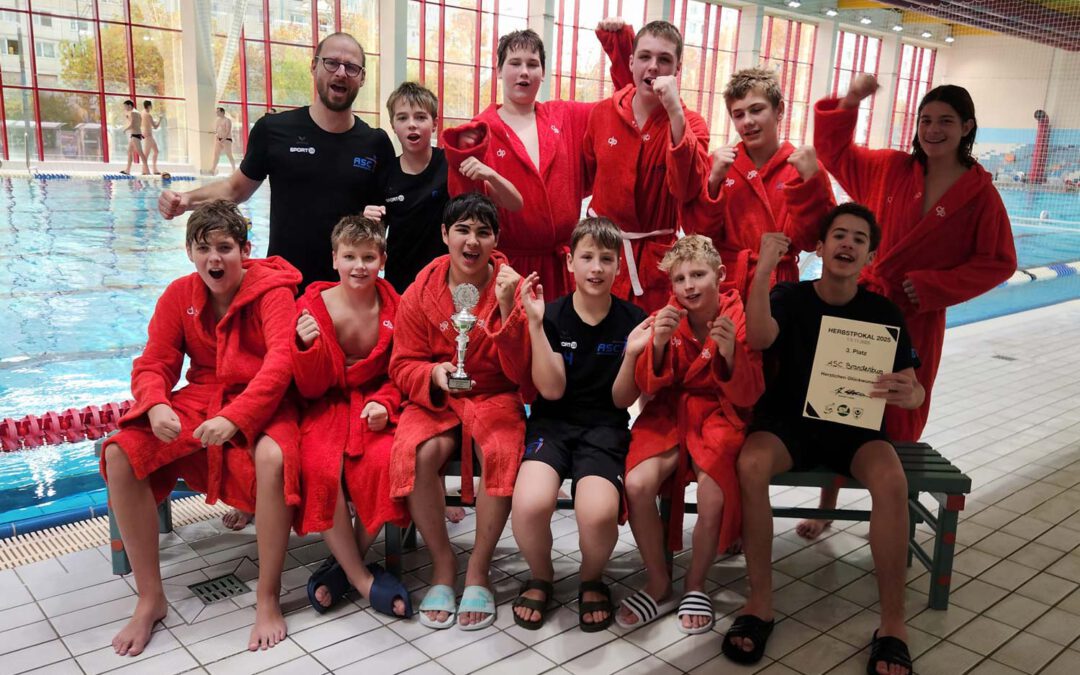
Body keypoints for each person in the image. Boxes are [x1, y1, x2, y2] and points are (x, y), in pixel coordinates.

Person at [795, 76, 1017, 539]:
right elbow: (836, 154)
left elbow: (1000, 262)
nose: (932, 130)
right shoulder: (892, 168)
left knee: (897, 409)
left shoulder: (980, 195)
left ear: (967, 127)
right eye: (925, 120)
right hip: (864, 307)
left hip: (918, 317)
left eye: (946, 122)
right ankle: (825, 505)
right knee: (844, 401)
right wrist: (850, 103)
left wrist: (936, 287)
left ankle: (890, 510)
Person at [726, 204, 922, 675]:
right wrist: (764, 273)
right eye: (839, 235)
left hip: (855, 430)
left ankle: (893, 625)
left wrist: (909, 393)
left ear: (870, 256)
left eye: (858, 238)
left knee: (892, 480)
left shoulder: (883, 311)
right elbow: (757, 335)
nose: (847, 244)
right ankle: (760, 602)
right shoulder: (789, 296)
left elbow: (912, 389)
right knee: (750, 463)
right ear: (820, 246)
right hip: (789, 424)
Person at [100, 201, 302, 656]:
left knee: (273, 458)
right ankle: (151, 597)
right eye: (204, 247)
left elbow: (279, 366)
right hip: (202, 397)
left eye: (225, 248)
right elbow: (155, 361)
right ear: (190, 251)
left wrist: (237, 416)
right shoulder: (178, 295)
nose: (215, 258)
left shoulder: (272, 292)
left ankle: (267, 597)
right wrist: (153, 405)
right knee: (121, 452)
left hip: (264, 401)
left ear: (245, 250)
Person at [158, 32, 395, 290]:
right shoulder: (274, 130)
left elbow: (386, 216)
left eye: (351, 67)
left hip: (349, 290)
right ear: (314, 66)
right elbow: (235, 189)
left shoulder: (376, 143)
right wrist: (186, 201)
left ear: (362, 78)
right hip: (285, 285)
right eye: (331, 63)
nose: (340, 72)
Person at [389, 192, 528, 631]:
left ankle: (479, 569)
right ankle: (444, 564)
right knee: (414, 453)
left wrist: (508, 310)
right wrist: (433, 374)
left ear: (496, 239)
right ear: (445, 234)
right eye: (463, 230)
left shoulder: (513, 286)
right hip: (438, 395)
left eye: (483, 232)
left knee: (503, 453)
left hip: (494, 394)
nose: (472, 241)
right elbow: (401, 363)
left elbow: (525, 371)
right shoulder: (419, 290)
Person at [615, 235, 763, 633]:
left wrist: (731, 355)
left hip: (718, 412)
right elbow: (649, 384)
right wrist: (658, 346)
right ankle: (659, 580)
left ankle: (696, 583)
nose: (689, 287)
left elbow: (751, 393)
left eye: (698, 275)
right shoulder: (666, 315)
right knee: (637, 483)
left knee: (713, 493)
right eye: (680, 279)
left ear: (720, 275)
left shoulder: (739, 317)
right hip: (668, 411)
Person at [509, 217, 649, 632]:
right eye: (587, 257)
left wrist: (631, 354)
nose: (596, 268)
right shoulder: (550, 315)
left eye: (606, 259)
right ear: (570, 262)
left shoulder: (632, 320)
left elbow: (622, 400)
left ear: (619, 267)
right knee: (530, 503)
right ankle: (542, 575)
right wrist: (534, 325)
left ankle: (591, 578)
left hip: (604, 428)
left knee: (599, 512)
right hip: (552, 424)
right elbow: (550, 391)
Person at [441, 22, 633, 299]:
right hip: (507, 269)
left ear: (543, 73)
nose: (524, 72)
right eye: (515, 63)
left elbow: (625, 104)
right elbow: (465, 205)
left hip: (562, 269)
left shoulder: (566, 116)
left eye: (533, 64)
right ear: (498, 71)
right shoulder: (479, 130)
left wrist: (619, 45)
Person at [290, 216, 412, 619]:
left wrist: (387, 404)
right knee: (318, 466)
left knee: (383, 462)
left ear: (382, 260)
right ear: (334, 260)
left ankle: (343, 568)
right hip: (325, 405)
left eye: (368, 257)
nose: (359, 266)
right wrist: (306, 349)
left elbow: (401, 370)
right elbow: (306, 388)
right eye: (350, 257)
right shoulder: (312, 307)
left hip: (373, 404)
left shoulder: (397, 307)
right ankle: (362, 578)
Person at [583, 20, 711, 313]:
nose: (653, 67)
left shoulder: (691, 124)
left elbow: (687, 189)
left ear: (677, 70)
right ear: (631, 62)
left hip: (654, 262)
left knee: (649, 348)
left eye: (664, 59)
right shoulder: (602, 113)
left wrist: (675, 112)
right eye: (645, 57)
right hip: (603, 253)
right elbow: (588, 175)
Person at [686, 68, 834, 299]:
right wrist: (714, 181)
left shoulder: (804, 167)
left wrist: (810, 185)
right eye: (739, 114)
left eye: (757, 110)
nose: (748, 122)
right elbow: (700, 234)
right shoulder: (718, 163)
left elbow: (812, 241)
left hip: (779, 287)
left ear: (780, 110)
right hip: (728, 284)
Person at [367, 81, 521, 294]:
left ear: (435, 123)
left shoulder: (451, 164)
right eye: (402, 118)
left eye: (420, 117)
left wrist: (490, 175)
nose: (412, 124)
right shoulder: (385, 173)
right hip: (401, 282)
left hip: (449, 281)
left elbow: (515, 203)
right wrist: (368, 219)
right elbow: (374, 236)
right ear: (393, 125)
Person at [122, 100, 149, 176]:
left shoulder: (133, 113)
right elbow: (138, 123)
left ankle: (147, 171)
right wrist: (128, 118)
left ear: (129, 105)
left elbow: (133, 124)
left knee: (140, 153)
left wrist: (125, 129)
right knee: (129, 152)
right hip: (135, 134)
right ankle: (127, 170)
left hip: (135, 135)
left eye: (125, 106)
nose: (125, 108)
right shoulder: (136, 112)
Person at [210, 107, 237, 175]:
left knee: (229, 155)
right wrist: (215, 134)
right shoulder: (217, 120)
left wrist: (223, 139)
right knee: (216, 155)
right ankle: (213, 169)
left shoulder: (227, 120)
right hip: (219, 140)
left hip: (227, 140)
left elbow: (228, 131)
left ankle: (234, 169)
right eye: (216, 112)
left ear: (222, 112)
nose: (217, 113)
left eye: (218, 111)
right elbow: (217, 131)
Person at [141, 101, 161, 175]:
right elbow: (155, 127)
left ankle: (154, 169)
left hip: (148, 135)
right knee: (146, 154)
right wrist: (160, 119)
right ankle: (144, 171)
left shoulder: (142, 112)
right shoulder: (148, 115)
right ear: (149, 106)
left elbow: (145, 123)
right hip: (148, 136)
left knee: (156, 151)